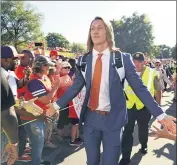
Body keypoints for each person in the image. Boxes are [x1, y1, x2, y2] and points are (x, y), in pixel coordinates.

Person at [44, 17, 175, 165]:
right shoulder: (83, 60)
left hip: (113, 120)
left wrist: (161, 115)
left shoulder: (122, 59)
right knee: (91, 161)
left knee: (110, 162)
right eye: (92, 28)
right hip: (91, 119)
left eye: (100, 27)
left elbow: (140, 89)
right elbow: (75, 87)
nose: (95, 31)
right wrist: (55, 106)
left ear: (108, 32)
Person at [119, 52, 163, 165]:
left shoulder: (153, 73)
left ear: (144, 62)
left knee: (143, 129)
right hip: (129, 106)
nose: (136, 63)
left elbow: (158, 91)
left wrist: (158, 110)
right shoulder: (125, 72)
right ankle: (125, 157)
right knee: (127, 131)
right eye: (134, 61)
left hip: (145, 107)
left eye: (139, 61)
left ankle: (143, 145)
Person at [20, 55, 60, 165]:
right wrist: (56, 87)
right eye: (47, 65)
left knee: (38, 143)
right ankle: (36, 162)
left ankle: (38, 161)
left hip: (39, 115)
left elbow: (48, 97)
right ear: (41, 66)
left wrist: (53, 108)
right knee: (37, 143)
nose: (50, 67)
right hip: (31, 117)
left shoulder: (44, 78)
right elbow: (45, 99)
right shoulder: (34, 81)